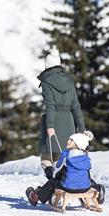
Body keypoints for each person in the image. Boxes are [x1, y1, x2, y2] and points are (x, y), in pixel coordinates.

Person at [37, 49, 86, 179]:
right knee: (60, 158)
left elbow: (50, 106)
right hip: (68, 122)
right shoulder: (69, 81)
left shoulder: (46, 82)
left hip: (53, 122)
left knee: (45, 158)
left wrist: (50, 126)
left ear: (47, 66)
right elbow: (76, 105)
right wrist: (81, 127)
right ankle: (60, 187)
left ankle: (53, 182)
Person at [26, 132, 105, 206]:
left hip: (68, 187)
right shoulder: (85, 157)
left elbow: (57, 172)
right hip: (85, 188)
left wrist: (53, 175)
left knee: (52, 182)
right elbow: (87, 174)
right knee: (85, 177)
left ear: (77, 143)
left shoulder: (66, 154)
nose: (68, 141)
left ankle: (36, 197)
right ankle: (98, 189)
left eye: (71, 140)